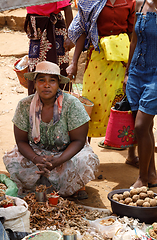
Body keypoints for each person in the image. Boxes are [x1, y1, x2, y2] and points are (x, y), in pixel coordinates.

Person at [3, 61, 99, 199]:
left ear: (58, 83)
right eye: (41, 80)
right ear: (35, 83)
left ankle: (73, 187)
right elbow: (21, 141)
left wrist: (57, 161)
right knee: (13, 159)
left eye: (52, 81)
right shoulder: (24, 105)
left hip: (66, 154)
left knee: (86, 160)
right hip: (37, 153)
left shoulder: (72, 104)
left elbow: (79, 141)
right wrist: (36, 159)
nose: (46, 85)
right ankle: (48, 184)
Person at [66, 0, 139, 168]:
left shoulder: (130, 2)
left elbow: (132, 34)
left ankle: (131, 154)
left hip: (121, 61)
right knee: (91, 105)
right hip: (98, 58)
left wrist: (130, 66)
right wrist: (74, 62)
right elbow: (84, 31)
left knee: (124, 104)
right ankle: (85, 154)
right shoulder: (90, 1)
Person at [123, 0, 157, 188]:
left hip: (155, 76)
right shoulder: (141, 4)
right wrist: (128, 72)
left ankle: (142, 179)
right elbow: (134, 41)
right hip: (136, 73)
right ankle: (151, 174)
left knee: (141, 127)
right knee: (146, 127)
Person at [24, 1, 74, 95]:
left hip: (55, 28)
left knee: (60, 67)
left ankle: (62, 105)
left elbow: (67, 7)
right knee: (35, 68)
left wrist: (71, 37)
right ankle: (36, 105)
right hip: (36, 27)